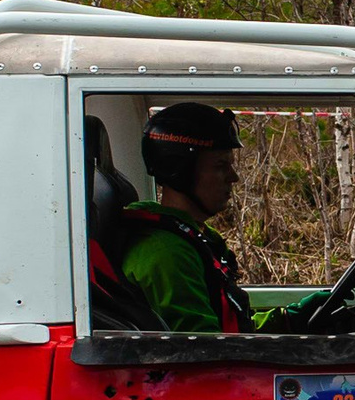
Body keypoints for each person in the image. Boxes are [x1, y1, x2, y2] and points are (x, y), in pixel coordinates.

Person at [102, 102, 261, 334]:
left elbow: (232, 325)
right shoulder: (166, 253)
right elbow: (205, 350)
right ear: (180, 169)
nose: (233, 177)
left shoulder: (194, 236)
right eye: (220, 166)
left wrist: (292, 317)